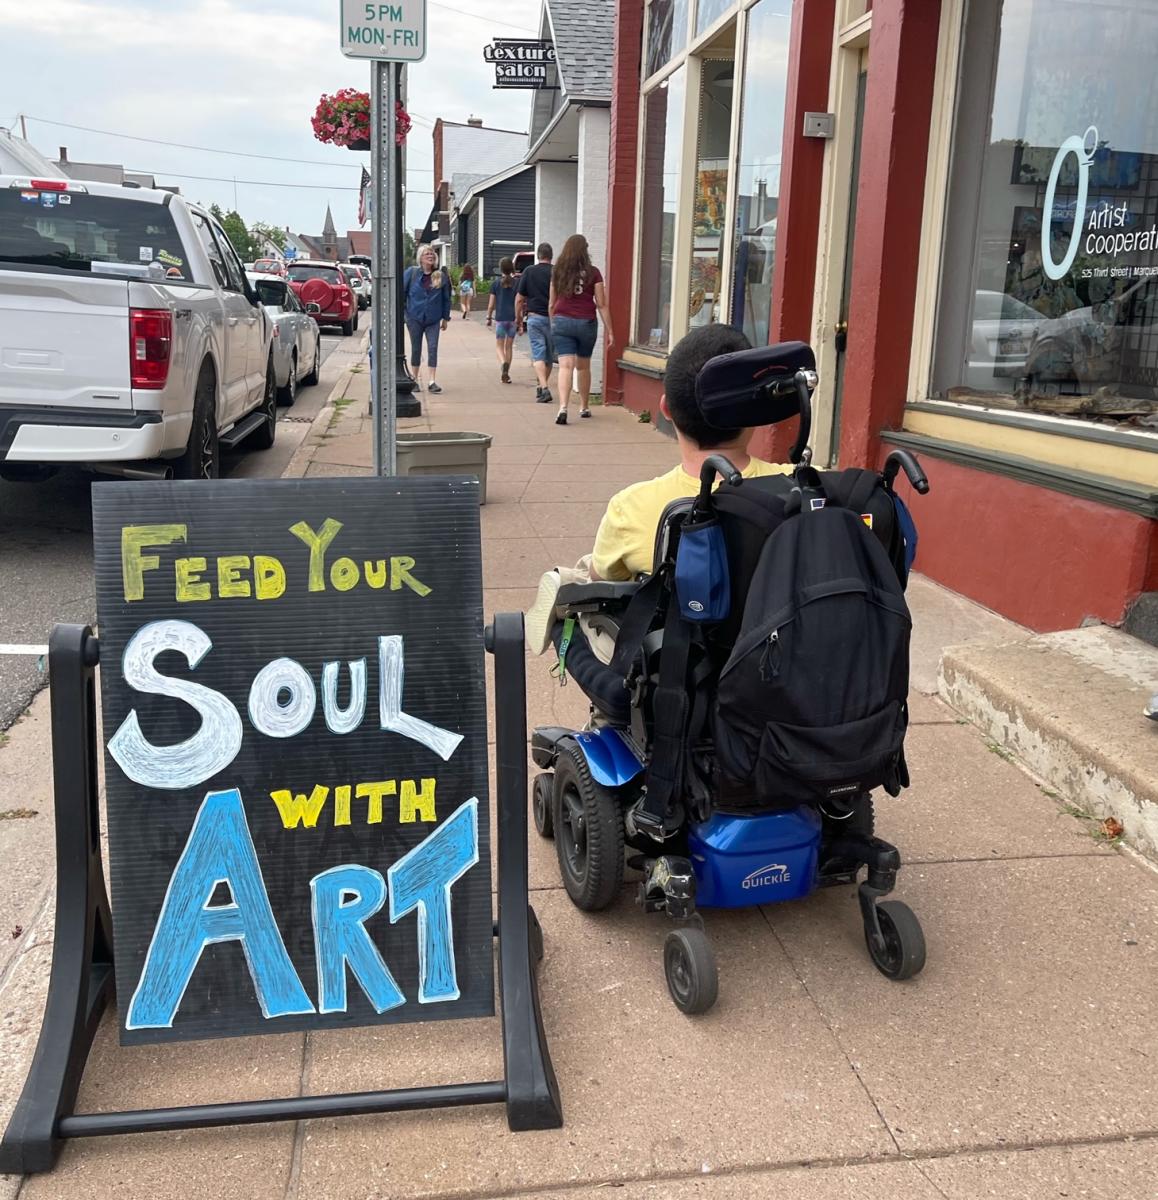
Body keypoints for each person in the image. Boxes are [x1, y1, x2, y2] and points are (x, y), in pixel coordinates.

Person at [591, 324, 790, 580]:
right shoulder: (812, 489)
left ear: (666, 409)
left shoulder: (630, 508)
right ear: (755, 411)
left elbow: (600, 580)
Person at [549, 233, 614, 425]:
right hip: (586, 322)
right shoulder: (594, 272)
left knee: (565, 366)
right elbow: (601, 304)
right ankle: (584, 406)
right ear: (585, 250)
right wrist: (610, 330)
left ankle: (563, 407)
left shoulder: (558, 271)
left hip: (562, 321)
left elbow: (552, 303)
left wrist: (552, 323)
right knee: (583, 366)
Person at [403, 246, 451, 393]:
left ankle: (432, 381)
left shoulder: (440, 276)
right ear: (420, 257)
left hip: (433, 319)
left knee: (433, 348)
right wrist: (405, 315)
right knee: (416, 348)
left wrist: (445, 318)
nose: (430, 255)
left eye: (432, 253)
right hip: (414, 318)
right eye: (427, 254)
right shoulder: (411, 273)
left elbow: (446, 298)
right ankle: (414, 379)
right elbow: (402, 294)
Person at [516, 242, 555, 403]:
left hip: (534, 318)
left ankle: (544, 387)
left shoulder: (529, 271)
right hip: (553, 319)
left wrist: (518, 319)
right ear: (551, 256)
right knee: (549, 357)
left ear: (538, 256)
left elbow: (519, 299)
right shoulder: (556, 272)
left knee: (538, 353)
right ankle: (541, 386)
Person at [487, 258, 519, 384]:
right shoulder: (517, 283)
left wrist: (489, 317)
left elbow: (490, 304)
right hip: (512, 319)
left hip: (500, 319)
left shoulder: (495, 284)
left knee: (499, 346)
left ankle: (503, 364)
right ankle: (507, 373)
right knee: (509, 347)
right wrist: (519, 318)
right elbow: (519, 302)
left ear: (500, 269)